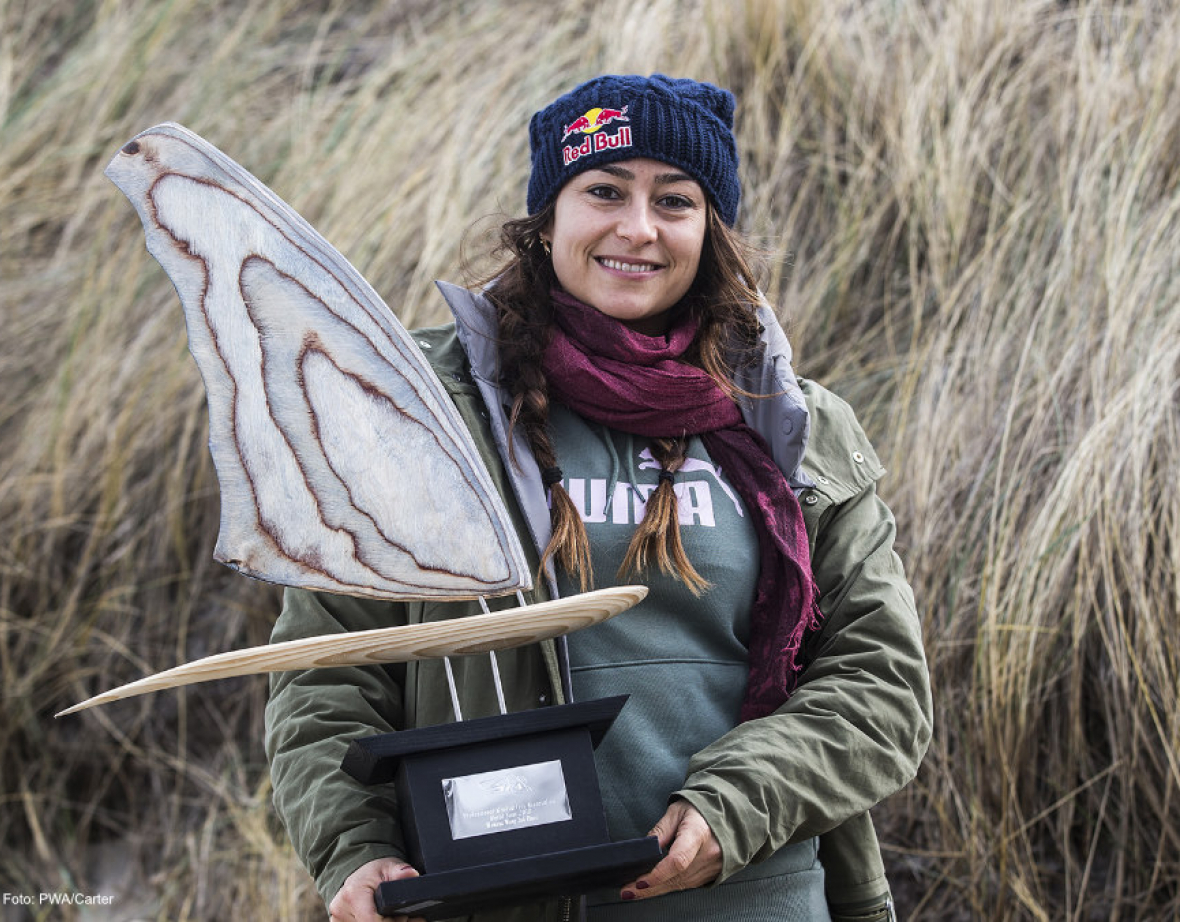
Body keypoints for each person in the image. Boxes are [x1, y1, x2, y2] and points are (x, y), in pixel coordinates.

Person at [265, 74, 932, 922]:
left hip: (754, 895)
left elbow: (882, 685)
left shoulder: (793, 425)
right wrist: (354, 851)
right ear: (547, 219)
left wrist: (733, 805)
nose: (638, 228)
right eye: (605, 190)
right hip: (490, 897)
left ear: (710, 231)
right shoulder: (422, 412)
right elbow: (327, 671)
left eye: (675, 201)